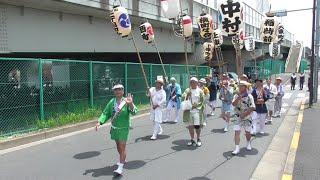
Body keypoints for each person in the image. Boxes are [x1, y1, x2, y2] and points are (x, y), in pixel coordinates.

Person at [95, 84, 138, 176]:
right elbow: (106, 113)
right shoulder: (111, 102)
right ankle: (123, 158)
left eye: (120, 90)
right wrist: (100, 122)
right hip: (114, 128)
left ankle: (120, 168)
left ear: (123, 91)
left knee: (122, 147)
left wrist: (130, 104)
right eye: (116, 90)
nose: (118, 91)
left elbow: (134, 112)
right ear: (114, 92)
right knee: (118, 146)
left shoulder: (126, 101)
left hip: (123, 128)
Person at [232, 81, 256, 155]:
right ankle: (237, 148)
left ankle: (248, 143)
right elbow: (233, 104)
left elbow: (253, 107)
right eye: (239, 86)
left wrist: (245, 114)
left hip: (247, 116)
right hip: (237, 116)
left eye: (241, 86)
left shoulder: (249, 96)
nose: (239, 87)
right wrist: (238, 98)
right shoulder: (236, 95)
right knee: (237, 132)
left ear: (245, 87)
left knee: (248, 132)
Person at [182, 77, 205, 147]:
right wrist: (187, 96)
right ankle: (192, 139)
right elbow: (183, 98)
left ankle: (198, 139)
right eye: (191, 82)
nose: (192, 83)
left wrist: (196, 105)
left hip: (197, 111)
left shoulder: (200, 91)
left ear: (197, 83)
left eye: (194, 82)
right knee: (190, 126)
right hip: (189, 111)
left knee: (197, 127)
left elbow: (202, 101)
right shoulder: (187, 90)